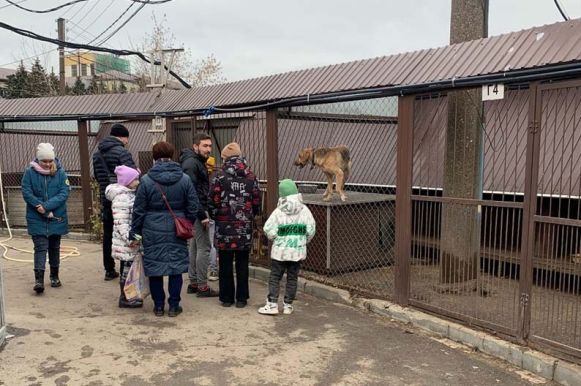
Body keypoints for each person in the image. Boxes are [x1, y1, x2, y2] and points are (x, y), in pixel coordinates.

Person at [130, 142, 198, 317]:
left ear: (154, 157)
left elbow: (138, 210)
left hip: (151, 229)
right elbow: (193, 206)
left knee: (155, 268)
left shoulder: (145, 180)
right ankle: (174, 306)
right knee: (175, 268)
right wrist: (185, 222)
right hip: (178, 229)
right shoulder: (184, 179)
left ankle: (158, 306)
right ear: (172, 155)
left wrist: (135, 234)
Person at [209, 142, 261, 308]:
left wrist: (216, 215)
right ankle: (242, 298)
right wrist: (249, 215)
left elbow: (212, 201)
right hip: (243, 227)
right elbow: (256, 202)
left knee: (224, 262)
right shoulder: (251, 176)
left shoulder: (219, 176)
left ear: (225, 158)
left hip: (224, 226)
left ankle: (226, 298)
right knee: (242, 262)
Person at [258, 179, 316, 315]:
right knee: (292, 278)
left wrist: (276, 237)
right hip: (297, 252)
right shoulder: (304, 210)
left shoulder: (279, 211)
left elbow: (268, 228)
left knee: (275, 277)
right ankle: (288, 305)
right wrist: (303, 241)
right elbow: (311, 229)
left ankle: (272, 304)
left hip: (280, 252)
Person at [21, 143, 70, 294]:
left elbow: (64, 192)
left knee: (54, 248)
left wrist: (47, 206)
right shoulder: (29, 172)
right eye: (45, 161)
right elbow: (26, 191)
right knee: (40, 248)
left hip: (56, 217)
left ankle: (54, 276)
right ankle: (39, 280)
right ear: (38, 159)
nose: (48, 164)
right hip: (37, 218)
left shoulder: (60, 172)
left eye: (50, 161)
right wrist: (40, 208)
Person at [93, 123, 136, 281]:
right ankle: (126, 267)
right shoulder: (122, 152)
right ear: (122, 137)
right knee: (125, 232)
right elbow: (132, 175)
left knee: (108, 233)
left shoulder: (97, 154)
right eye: (126, 138)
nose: (127, 142)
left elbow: (98, 177)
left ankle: (109, 269)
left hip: (106, 196)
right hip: (123, 199)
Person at [179, 133, 218, 297]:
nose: (208, 149)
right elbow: (192, 191)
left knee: (195, 246)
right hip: (197, 210)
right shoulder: (192, 163)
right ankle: (202, 286)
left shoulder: (195, 162)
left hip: (195, 209)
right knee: (205, 247)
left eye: (210, 146)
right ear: (195, 146)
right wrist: (202, 214)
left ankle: (194, 282)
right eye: (205, 146)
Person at [105, 165, 143, 309]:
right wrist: (130, 238)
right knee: (127, 272)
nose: (138, 182)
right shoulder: (121, 198)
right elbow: (121, 222)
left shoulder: (129, 195)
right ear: (127, 181)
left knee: (129, 270)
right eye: (135, 179)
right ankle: (125, 298)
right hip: (126, 242)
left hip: (128, 242)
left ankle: (129, 296)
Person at [206, 156, 218, 282]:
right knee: (213, 242)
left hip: (202, 211)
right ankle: (213, 269)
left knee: (202, 244)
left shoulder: (200, 175)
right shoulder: (217, 177)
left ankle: (201, 270)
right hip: (213, 212)